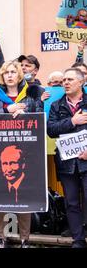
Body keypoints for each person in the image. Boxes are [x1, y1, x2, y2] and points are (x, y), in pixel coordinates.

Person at [0, 61, 43, 248]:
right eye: (6, 73)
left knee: (25, 196)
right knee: (0, 196)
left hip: (25, 153)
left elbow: (39, 117)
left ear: (19, 75)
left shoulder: (29, 96)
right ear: (2, 76)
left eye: (13, 72)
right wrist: (6, 110)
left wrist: (26, 113)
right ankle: (1, 238)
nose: (10, 75)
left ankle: (25, 239)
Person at [47, 68, 87, 248]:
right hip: (67, 163)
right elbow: (51, 129)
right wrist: (72, 122)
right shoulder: (56, 105)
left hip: (86, 160)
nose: (66, 83)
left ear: (81, 82)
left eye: (70, 79)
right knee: (71, 202)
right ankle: (78, 239)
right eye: (64, 80)